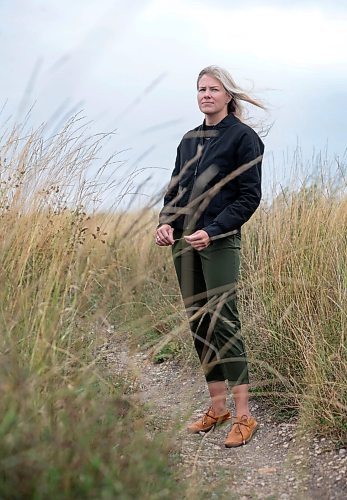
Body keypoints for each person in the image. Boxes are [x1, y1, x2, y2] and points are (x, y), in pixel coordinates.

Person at [155, 65, 266, 448]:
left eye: (213, 89)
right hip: (184, 243)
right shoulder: (188, 139)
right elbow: (175, 190)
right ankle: (216, 409)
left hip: (219, 240)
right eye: (201, 89)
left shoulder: (244, 138)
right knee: (199, 322)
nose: (206, 95)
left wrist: (214, 229)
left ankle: (245, 416)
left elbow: (249, 197)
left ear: (228, 95)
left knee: (224, 321)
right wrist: (167, 223)